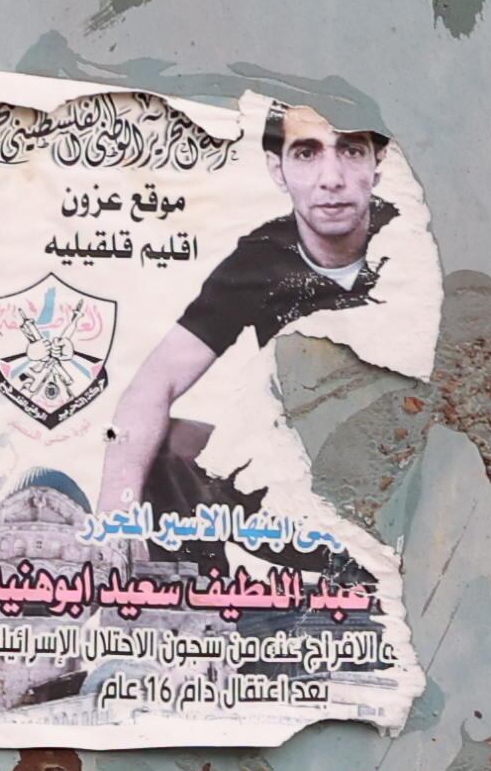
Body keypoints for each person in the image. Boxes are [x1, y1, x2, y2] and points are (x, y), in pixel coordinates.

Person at [96, 104, 408, 520]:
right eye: (306, 153)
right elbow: (154, 384)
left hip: (406, 490)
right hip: (298, 490)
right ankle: (186, 585)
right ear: (277, 170)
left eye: (351, 151)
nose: (332, 179)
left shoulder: (416, 245)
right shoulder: (261, 261)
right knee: (162, 449)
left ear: (379, 162)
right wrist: (116, 517)